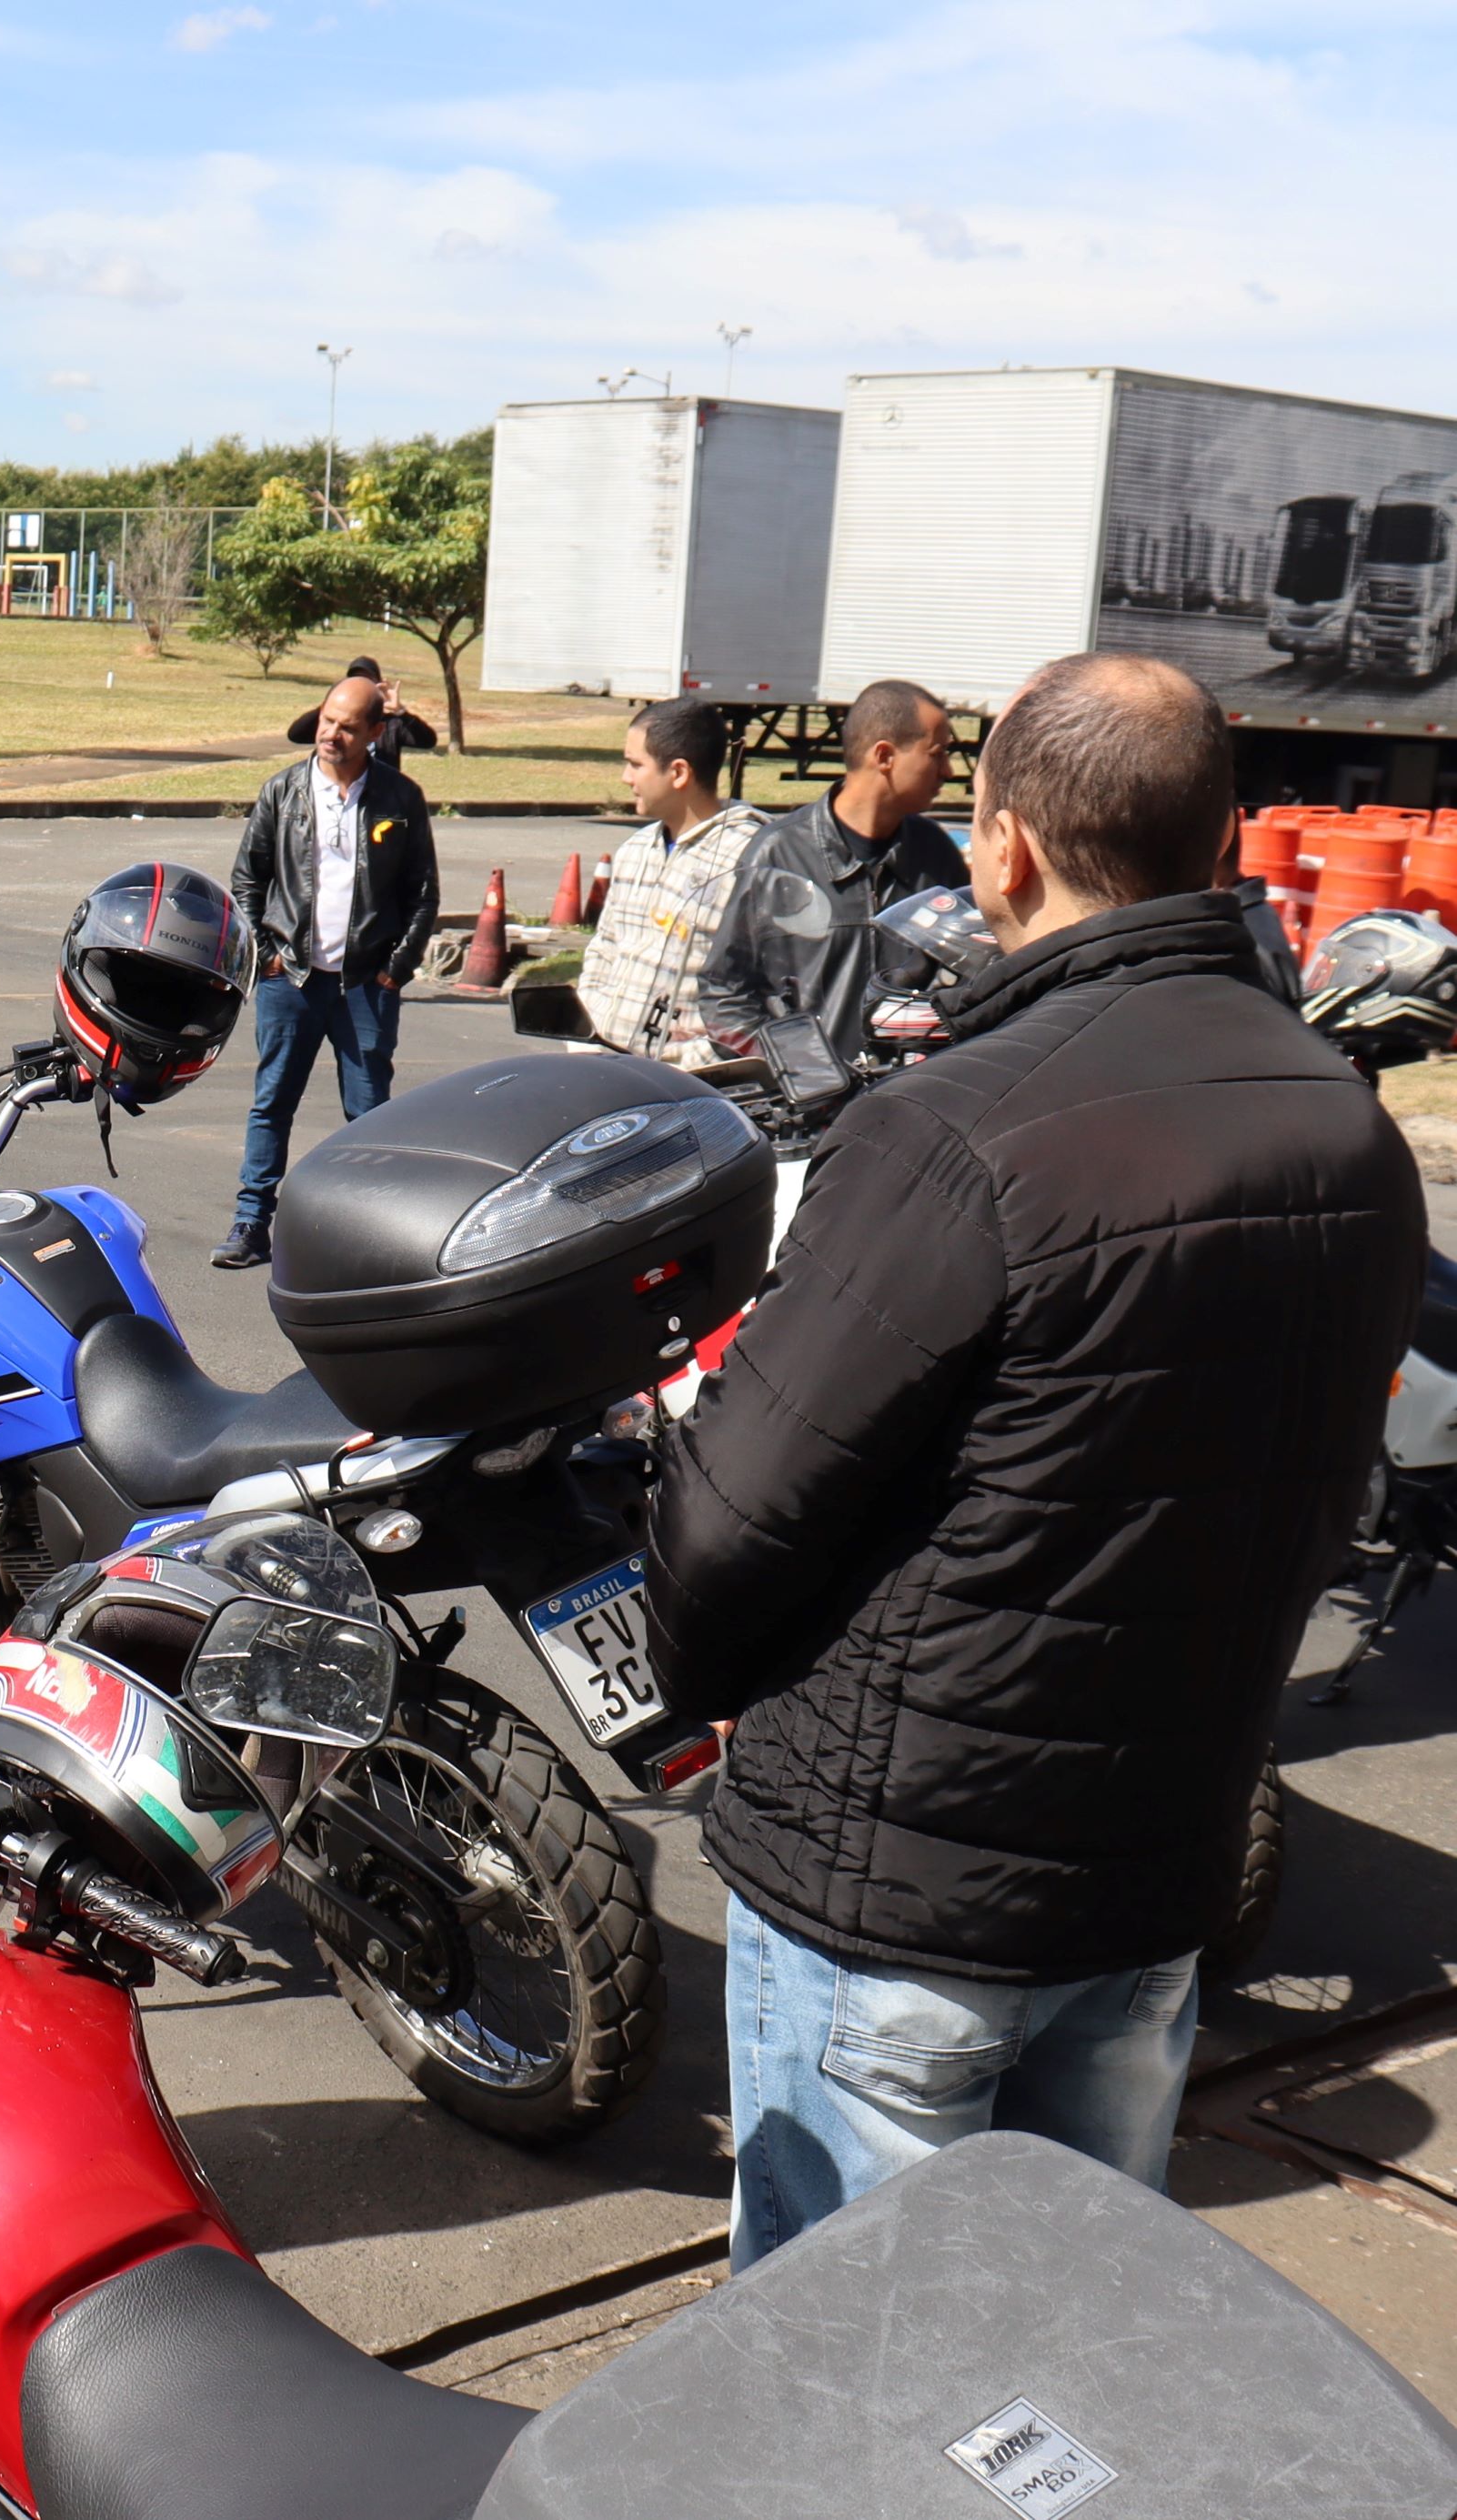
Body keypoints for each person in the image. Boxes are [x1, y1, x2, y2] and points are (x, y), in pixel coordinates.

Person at [645, 654, 1424, 2268]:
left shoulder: (953, 1128)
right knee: (1062, 2374)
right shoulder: (1342, 1124)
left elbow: (726, 1531)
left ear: (1000, 849)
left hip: (901, 1899)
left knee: (840, 2389)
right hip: (1154, 1882)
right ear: (1222, 845)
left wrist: (710, 1666)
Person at [214, 675, 442, 1268]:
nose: (331, 735)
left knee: (369, 1114)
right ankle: (250, 1222)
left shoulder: (399, 798)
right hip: (289, 976)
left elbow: (422, 891)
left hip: (366, 983)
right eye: (325, 721)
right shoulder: (282, 791)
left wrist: (395, 968)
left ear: (374, 731)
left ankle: (364, 1234)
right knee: (272, 1103)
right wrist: (265, 951)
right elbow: (247, 878)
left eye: (346, 726)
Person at [690, 678, 965, 1068]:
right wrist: (803, 1072)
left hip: (910, 1103)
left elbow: (971, 982)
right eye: (937, 754)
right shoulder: (777, 854)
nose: (949, 771)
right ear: (884, 756)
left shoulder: (936, 854)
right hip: (812, 1121)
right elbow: (723, 994)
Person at [577, 697, 770, 1060]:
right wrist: (586, 1032)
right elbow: (603, 949)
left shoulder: (754, 857)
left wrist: (696, 1063)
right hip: (605, 1070)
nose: (625, 778)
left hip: (691, 1088)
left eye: (635, 765)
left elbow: (769, 992)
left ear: (678, 772)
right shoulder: (635, 850)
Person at [338, 654, 443, 774]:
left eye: (368, 681)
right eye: (356, 681)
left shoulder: (391, 725)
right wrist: (336, 700)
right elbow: (311, 732)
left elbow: (428, 741)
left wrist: (400, 711)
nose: (362, 687)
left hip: (382, 790)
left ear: (379, 685)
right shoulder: (338, 721)